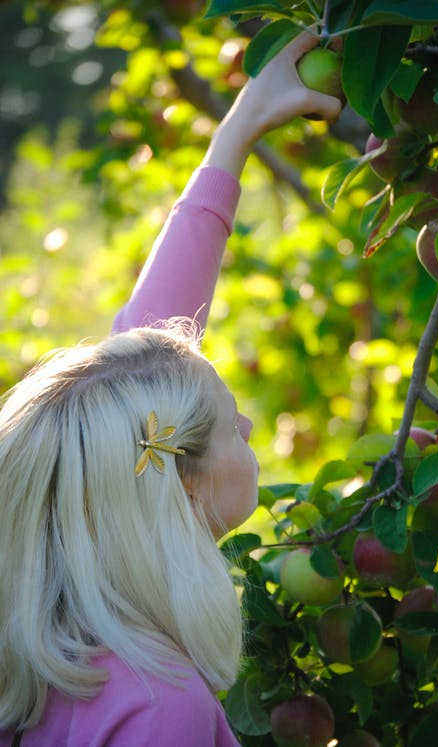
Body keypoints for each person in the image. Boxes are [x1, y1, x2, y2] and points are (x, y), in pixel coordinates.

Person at [0, 30, 341, 747]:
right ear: (181, 483)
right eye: (228, 419)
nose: (249, 426)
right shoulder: (162, 710)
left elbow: (138, 379)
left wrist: (237, 132)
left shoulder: (57, 666)